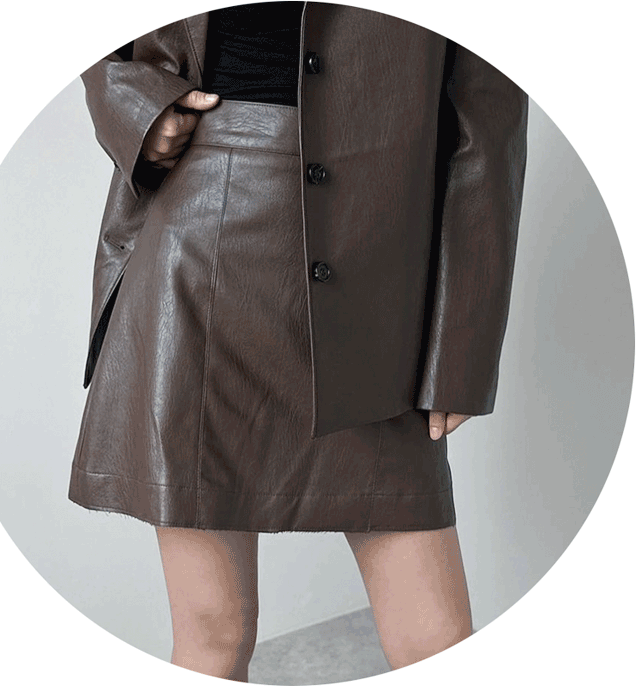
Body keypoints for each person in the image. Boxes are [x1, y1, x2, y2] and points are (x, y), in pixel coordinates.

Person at [68, 1, 528, 680]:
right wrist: (135, 104)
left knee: (435, 637)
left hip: (379, 282)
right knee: (213, 631)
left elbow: (489, 113)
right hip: (200, 249)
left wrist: (463, 341)